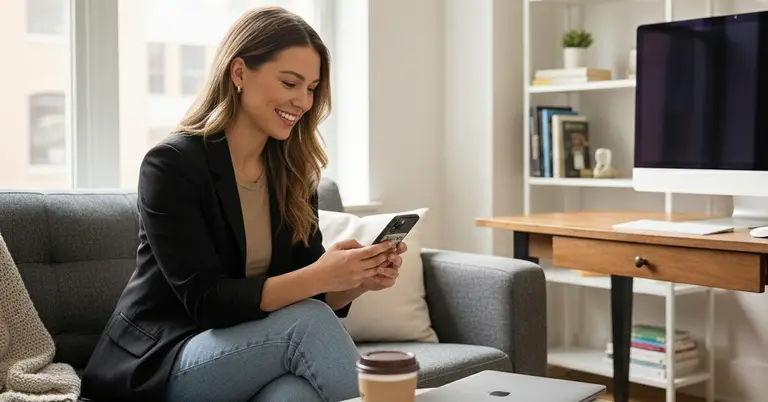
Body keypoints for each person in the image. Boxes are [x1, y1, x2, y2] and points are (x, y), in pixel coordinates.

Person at [79, 7, 406, 402]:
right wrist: (321, 275)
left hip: (246, 353)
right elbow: (207, 302)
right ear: (239, 73)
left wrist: (354, 282)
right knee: (308, 325)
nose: (303, 101)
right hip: (163, 360)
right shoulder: (171, 165)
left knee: (294, 394)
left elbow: (304, 291)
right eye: (290, 83)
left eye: (312, 88)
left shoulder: (294, 172)